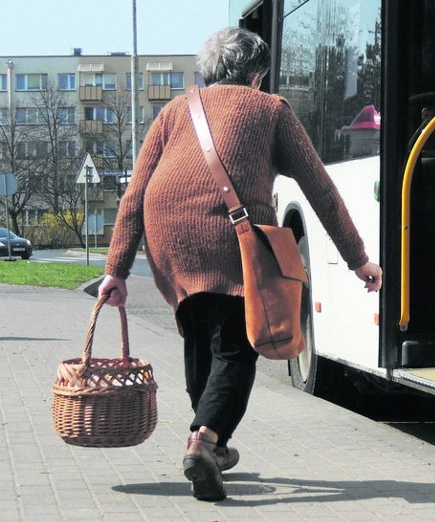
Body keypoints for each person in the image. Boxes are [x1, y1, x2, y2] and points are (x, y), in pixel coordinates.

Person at [98, 27, 382, 502]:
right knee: (236, 345)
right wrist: (358, 259)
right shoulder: (270, 109)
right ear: (257, 73)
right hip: (231, 237)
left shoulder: (175, 110)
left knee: (200, 340)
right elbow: (320, 189)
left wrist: (117, 269)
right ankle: (204, 441)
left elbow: (135, 193)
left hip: (168, 237)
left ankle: (213, 442)